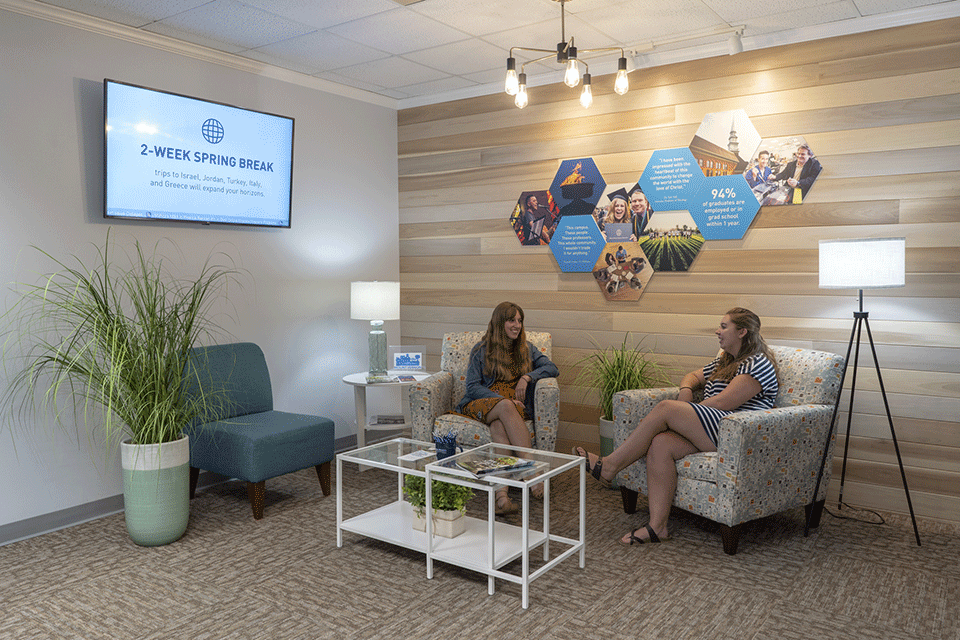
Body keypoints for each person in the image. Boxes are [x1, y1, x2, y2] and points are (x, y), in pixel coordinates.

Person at [573, 308, 779, 545]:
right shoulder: (726, 360)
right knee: (661, 444)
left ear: (742, 332)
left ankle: (609, 466)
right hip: (711, 427)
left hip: (734, 436)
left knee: (666, 409)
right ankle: (657, 527)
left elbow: (724, 403)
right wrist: (686, 392)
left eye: (724, 327)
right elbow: (692, 376)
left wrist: (684, 413)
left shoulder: (757, 363)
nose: (717, 331)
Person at [456, 302, 560, 514]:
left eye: (520, 321)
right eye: (511, 320)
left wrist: (527, 376)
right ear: (499, 322)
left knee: (499, 429)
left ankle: (501, 496)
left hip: (513, 406)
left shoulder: (526, 348)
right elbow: (472, 387)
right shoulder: (481, 350)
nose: (517, 325)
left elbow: (551, 368)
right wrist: (502, 399)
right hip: (483, 402)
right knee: (504, 406)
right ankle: (530, 471)